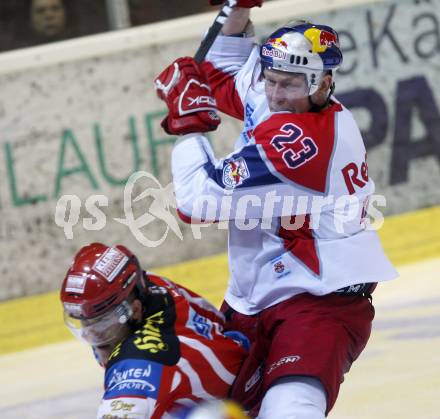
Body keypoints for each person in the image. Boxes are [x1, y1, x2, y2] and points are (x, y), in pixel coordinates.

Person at [154, 1, 398, 418]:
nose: (276, 95)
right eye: (271, 81)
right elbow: (219, 68)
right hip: (256, 294)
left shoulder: (304, 146)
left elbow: (194, 202)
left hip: (318, 303)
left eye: (290, 85)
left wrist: (190, 123)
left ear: (324, 84)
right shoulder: (282, 91)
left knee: (288, 410)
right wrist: (238, 9)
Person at [60, 242, 248, 419]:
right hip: (239, 372)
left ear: (133, 310)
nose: (91, 335)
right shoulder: (150, 286)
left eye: (102, 324)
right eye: (83, 323)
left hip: (246, 405)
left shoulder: (137, 365)